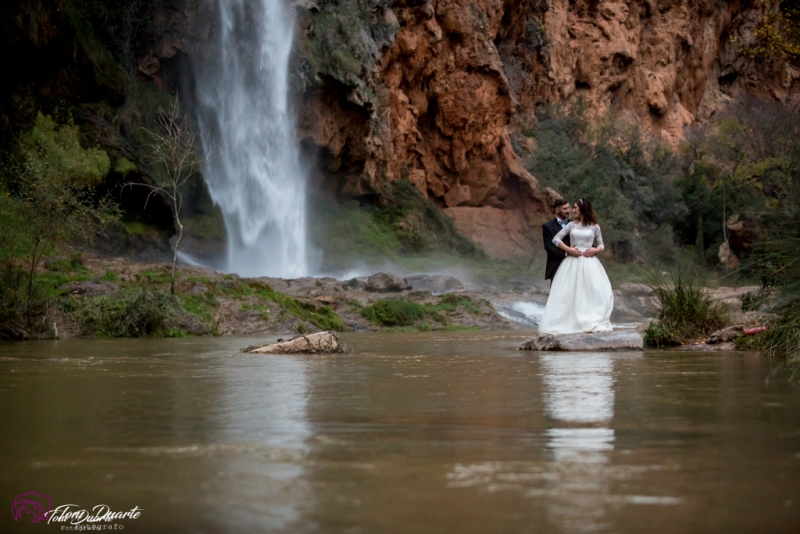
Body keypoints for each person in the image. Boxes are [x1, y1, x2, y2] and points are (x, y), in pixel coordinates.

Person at [538, 197, 614, 335]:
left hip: (590, 262)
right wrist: (569, 250)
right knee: (568, 291)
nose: (572, 210)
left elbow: (601, 244)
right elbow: (555, 239)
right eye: (570, 208)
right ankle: (568, 322)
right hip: (572, 261)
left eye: (574, 208)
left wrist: (595, 250)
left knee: (592, 290)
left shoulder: (595, 226)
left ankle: (590, 320)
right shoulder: (572, 224)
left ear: (583, 209)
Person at [542, 199, 571, 284]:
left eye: (569, 208)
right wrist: (565, 254)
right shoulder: (548, 226)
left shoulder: (574, 224)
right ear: (557, 210)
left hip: (573, 263)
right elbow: (548, 247)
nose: (568, 211)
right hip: (556, 264)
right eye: (565, 209)